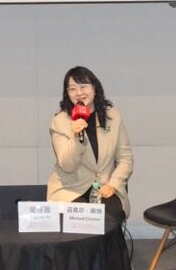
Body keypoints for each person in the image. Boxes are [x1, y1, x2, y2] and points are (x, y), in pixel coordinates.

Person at [47, 66, 133, 223]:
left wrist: (113, 184)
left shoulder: (112, 117)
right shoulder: (60, 121)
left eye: (83, 86)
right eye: (72, 89)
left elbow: (125, 159)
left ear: (95, 88)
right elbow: (67, 166)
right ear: (67, 93)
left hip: (105, 186)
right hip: (70, 188)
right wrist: (76, 137)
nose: (79, 93)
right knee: (81, 220)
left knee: (109, 218)